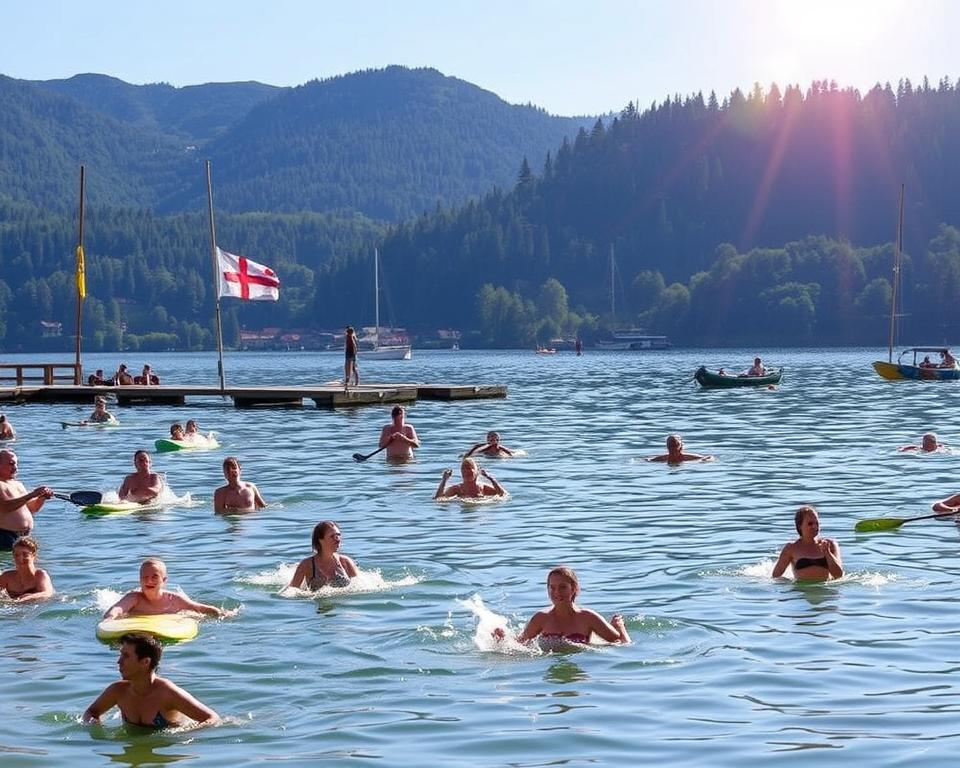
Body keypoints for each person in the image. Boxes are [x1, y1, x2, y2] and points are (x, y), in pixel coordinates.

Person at [83, 632, 219, 729]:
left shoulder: (167, 693)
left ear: (145, 662)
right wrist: (95, 728)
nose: (119, 661)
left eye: (126, 656)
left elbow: (211, 718)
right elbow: (91, 713)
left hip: (165, 752)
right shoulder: (118, 691)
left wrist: (183, 735)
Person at [493, 566, 630, 646]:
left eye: (562, 587)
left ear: (574, 589)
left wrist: (620, 627)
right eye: (552, 588)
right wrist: (502, 639)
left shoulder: (588, 617)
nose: (557, 592)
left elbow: (623, 644)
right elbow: (520, 645)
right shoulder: (541, 618)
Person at [104, 558, 235, 619]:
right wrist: (110, 618)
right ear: (139, 580)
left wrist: (219, 613)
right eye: (145, 577)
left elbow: (198, 608)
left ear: (164, 580)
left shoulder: (174, 599)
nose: (149, 580)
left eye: (155, 577)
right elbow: (116, 609)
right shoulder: (134, 598)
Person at [772, 505, 844, 581]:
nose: (815, 526)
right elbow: (775, 576)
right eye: (810, 524)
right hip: (801, 591)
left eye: (817, 523)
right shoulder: (791, 548)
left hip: (825, 590)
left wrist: (827, 552)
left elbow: (839, 575)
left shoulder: (830, 544)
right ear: (800, 526)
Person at [0, 450, 53, 550]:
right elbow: (5, 507)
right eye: (11, 464)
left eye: (16, 464)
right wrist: (32, 494)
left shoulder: (18, 484)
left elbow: (32, 508)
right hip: (5, 536)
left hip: (23, 536)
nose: (15, 467)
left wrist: (42, 497)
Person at [288, 521, 359, 590]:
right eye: (332, 536)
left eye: (338, 535)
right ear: (320, 540)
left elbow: (359, 586)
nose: (338, 540)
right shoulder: (306, 565)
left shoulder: (346, 562)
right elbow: (292, 590)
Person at [0, 536, 54, 602]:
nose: (20, 558)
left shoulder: (40, 575)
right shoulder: (6, 577)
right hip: (10, 608)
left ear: (34, 556)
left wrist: (28, 597)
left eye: (25, 554)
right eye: (16, 555)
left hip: (33, 607)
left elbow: (47, 593)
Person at [434, 457, 506, 499]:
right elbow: (438, 499)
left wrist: (491, 478)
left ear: (477, 473)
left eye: (469, 473)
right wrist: (444, 480)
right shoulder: (457, 489)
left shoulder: (483, 487)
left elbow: (503, 495)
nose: (466, 474)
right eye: (464, 472)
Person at [647, 434, 714, 463]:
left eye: (675, 445)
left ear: (681, 447)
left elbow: (710, 457)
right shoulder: (662, 458)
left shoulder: (687, 457)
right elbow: (647, 460)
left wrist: (707, 460)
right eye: (671, 446)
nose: (673, 449)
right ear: (667, 447)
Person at [344, 326, 360, 392]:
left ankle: (349, 381)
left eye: (346, 331)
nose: (345, 332)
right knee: (351, 368)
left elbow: (354, 345)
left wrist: (355, 353)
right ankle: (354, 381)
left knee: (349, 368)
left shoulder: (350, 336)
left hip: (350, 353)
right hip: (350, 353)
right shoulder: (351, 336)